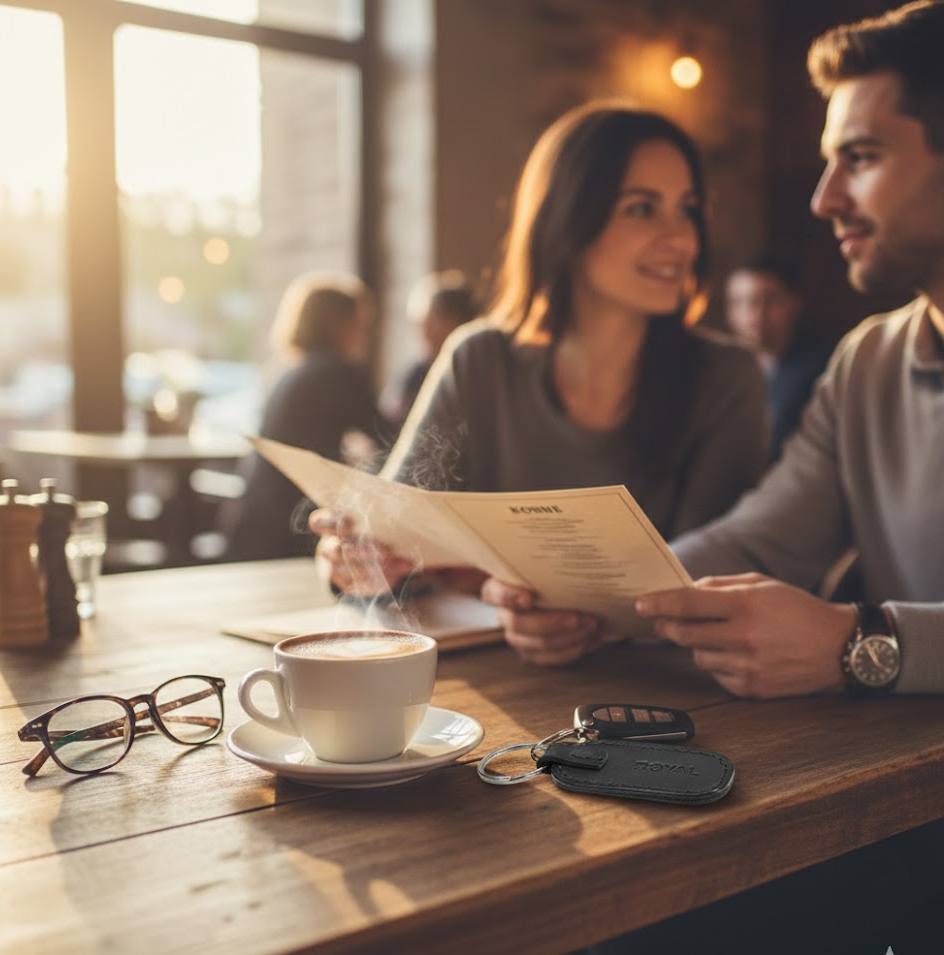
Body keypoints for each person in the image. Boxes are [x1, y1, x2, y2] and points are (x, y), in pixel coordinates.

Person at [489, 2, 944, 955]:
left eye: (859, 157)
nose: (822, 194)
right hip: (898, 805)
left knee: (618, 893)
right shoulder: (866, 358)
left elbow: (849, 637)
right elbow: (758, 532)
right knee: (590, 876)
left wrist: (855, 644)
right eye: (828, 160)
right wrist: (592, 595)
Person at [311, 100, 770, 672]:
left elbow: (713, 581)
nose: (680, 238)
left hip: (674, 696)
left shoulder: (726, 378)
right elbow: (395, 534)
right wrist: (353, 558)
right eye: (642, 209)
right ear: (568, 219)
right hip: (499, 689)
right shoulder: (479, 358)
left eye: (688, 210)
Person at [224, 271, 383, 561]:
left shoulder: (289, 374)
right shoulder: (339, 373)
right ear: (343, 324)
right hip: (295, 533)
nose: (365, 333)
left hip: (254, 523)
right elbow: (391, 442)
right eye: (361, 322)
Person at [724, 254, 831, 458]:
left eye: (768, 301)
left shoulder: (819, 369)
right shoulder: (722, 371)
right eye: (739, 302)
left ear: (794, 303)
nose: (754, 315)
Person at [382, 270, 478, 431]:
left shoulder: (478, 375)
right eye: (420, 321)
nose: (424, 330)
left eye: (433, 320)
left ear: (460, 321)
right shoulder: (414, 374)